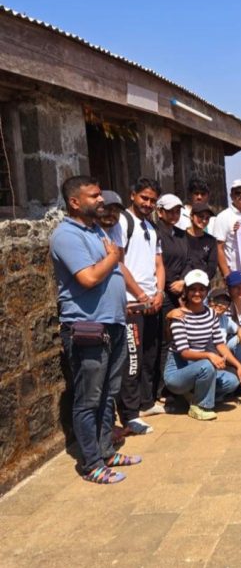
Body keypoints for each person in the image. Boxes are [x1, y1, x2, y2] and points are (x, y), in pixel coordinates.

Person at [51, 175, 140, 484]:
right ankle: (91, 464)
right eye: (94, 196)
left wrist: (137, 293)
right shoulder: (66, 236)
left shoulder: (95, 230)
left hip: (111, 323)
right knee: (89, 398)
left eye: (100, 194)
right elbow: (87, 278)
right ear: (75, 202)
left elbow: (114, 269)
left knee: (108, 394)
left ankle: (106, 450)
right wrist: (114, 256)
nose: (101, 200)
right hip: (88, 327)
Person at [164, 270, 241, 421]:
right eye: (193, 289)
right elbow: (184, 352)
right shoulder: (179, 316)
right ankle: (200, 405)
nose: (197, 293)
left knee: (232, 381)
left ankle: (192, 396)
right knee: (207, 364)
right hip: (179, 371)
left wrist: (238, 365)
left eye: (201, 289)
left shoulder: (210, 314)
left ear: (206, 291)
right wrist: (209, 355)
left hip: (200, 367)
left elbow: (220, 343)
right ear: (186, 291)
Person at [118, 177, 165, 435]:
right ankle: (130, 414)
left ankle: (146, 402)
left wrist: (157, 293)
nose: (147, 204)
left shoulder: (151, 226)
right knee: (132, 361)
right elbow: (119, 262)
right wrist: (139, 294)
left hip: (150, 302)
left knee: (150, 355)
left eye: (152, 201)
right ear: (133, 195)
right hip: (132, 304)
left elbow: (159, 264)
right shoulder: (122, 222)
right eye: (144, 198)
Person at [155, 193, 191, 412]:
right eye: (170, 211)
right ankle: (163, 389)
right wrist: (171, 284)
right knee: (165, 341)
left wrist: (183, 281)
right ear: (160, 212)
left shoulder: (181, 234)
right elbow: (157, 264)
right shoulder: (155, 233)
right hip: (165, 293)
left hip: (181, 291)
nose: (174, 215)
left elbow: (188, 260)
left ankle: (179, 385)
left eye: (177, 211)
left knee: (181, 339)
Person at [186, 202, 219, 281]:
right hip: (183, 282)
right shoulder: (181, 237)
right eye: (201, 217)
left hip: (203, 284)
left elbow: (212, 267)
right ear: (191, 216)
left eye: (207, 218)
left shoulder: (211, 241)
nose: (204, 221)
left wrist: (200, 281)